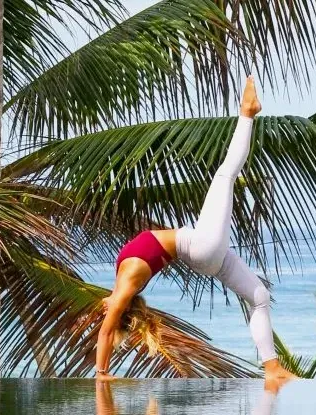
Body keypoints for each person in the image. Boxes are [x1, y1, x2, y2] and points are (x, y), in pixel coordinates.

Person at [95, 76, 294, 384]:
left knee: (259, 297)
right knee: (226, 174)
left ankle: (272, 368)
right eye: (106, 310)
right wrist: (102, 372)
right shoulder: (127, 283)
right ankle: (247, 113)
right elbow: (107, 331)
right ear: (119, 309)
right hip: (199, 245)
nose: (101, 308)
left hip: (207, 255)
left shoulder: (124, 275)